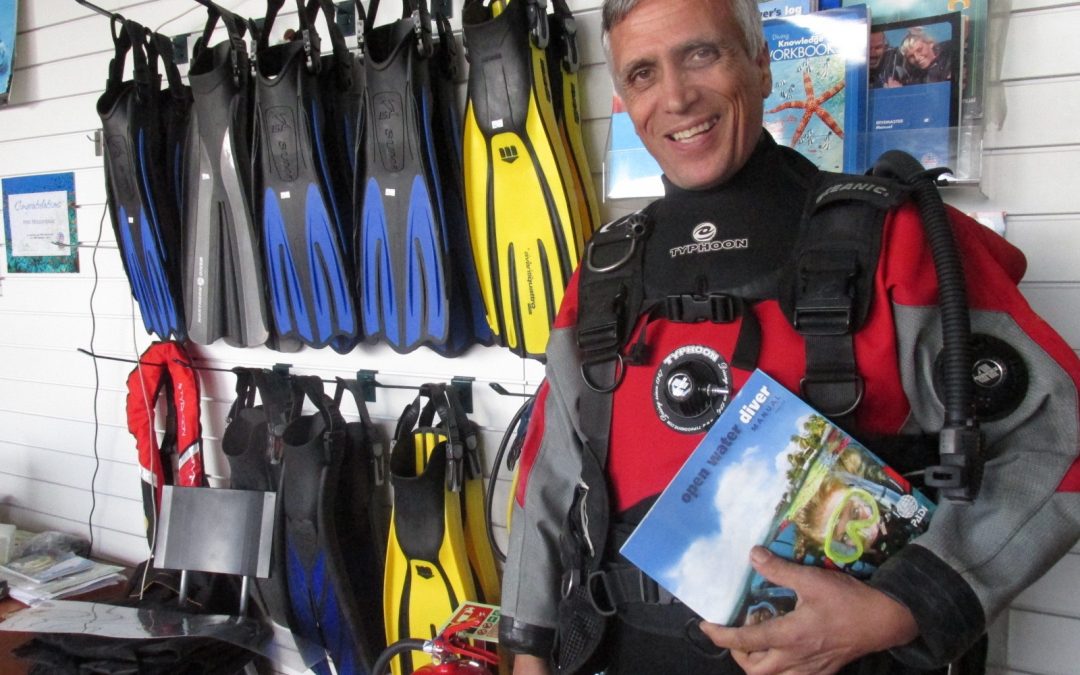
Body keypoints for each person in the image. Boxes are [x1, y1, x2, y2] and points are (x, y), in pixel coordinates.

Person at [498, 0, 1080, 674]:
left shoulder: (899, 242)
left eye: (701, 54)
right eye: (642, 73)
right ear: (624, 101)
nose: (677, 97)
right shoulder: (604, 276)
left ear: (763, 64)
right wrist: (528, 646)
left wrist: (905, 606)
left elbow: (1059, 436)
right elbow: (547, 479)